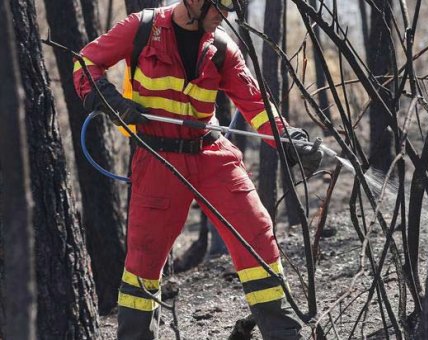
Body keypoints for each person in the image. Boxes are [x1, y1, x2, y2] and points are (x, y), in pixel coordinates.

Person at [72, 1, 322, 339]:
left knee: (257, 233)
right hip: (158, 160)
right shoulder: (142, 28)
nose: (227, 14)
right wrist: (107, 98)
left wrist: (289, 140)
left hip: (212, 154)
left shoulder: (222, 48)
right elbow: (86, 62)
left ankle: (284, 333)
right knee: (142, 262)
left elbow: (256, 105)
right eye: (222, 5)